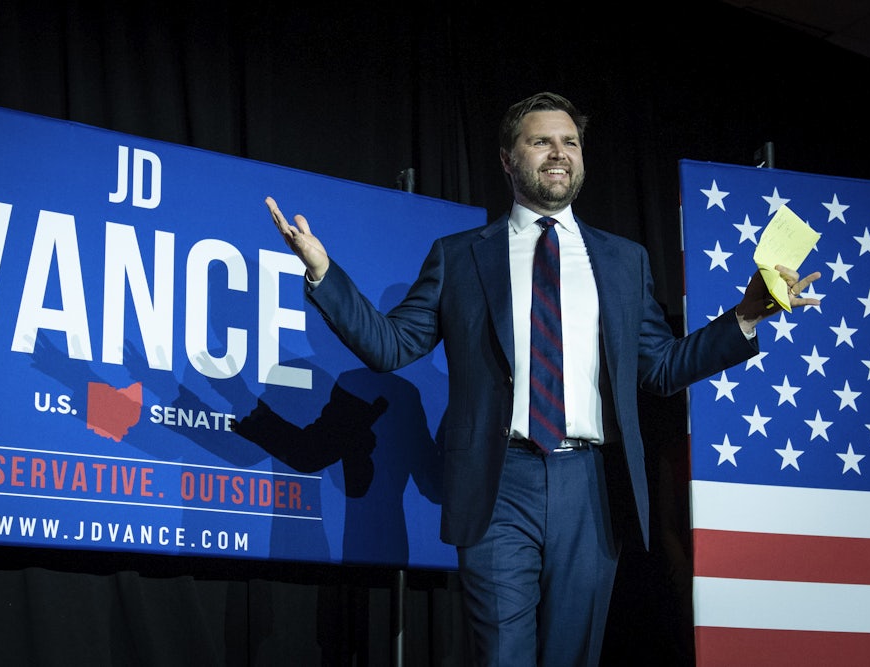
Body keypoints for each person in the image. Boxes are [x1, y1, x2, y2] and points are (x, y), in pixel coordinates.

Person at [264, 91, 820, 666]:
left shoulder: (623, 260)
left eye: (570, 142)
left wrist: (746, 315)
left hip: (590, 488)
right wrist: (324, 273)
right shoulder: (459, 257)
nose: (559, 153)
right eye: (541, 141)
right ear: (509, 159)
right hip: (497, 484)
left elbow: (659, 368)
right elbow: (391, 344)